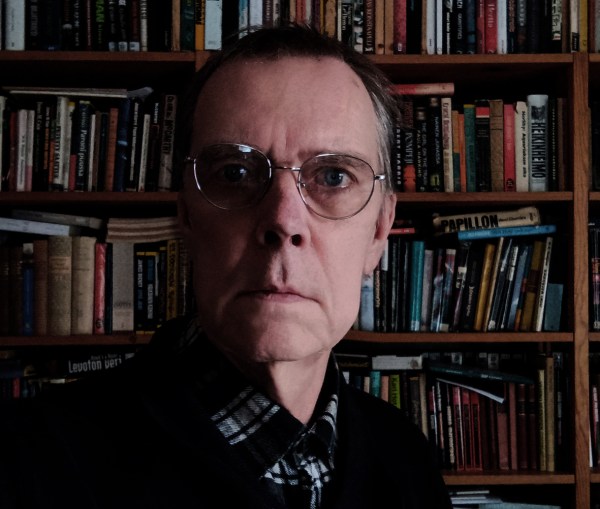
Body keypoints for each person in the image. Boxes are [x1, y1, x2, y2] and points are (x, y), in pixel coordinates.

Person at [0, 24, 451, 509]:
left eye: (334, 177)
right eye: (235, 173)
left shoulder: (407, 458)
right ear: (187, 215)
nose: (284, 221)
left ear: (380, 230)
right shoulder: (25, 463)